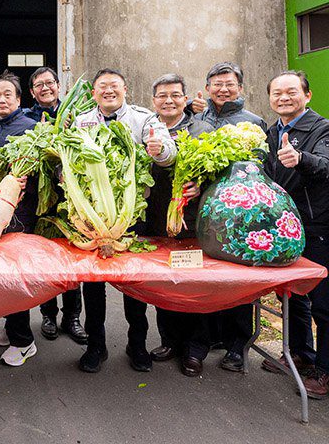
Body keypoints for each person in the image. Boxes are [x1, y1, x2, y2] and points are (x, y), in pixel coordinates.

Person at [74, 68, 176, 373]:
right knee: (92, 287)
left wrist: (159, 152)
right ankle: (96, 345)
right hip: (93, 219)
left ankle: (137, 345)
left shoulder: (144, 119)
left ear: (125, 89)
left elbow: (168, 152)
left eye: (114, 86)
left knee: (133, 284)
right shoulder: (82, 122)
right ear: (93, 93)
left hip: (132, 216)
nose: (108, 91)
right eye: (102, 87)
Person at [190, 62, 267, 374]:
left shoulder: (253, 122)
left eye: (229, 84)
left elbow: (262, 167)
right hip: (203, 212)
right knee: (204, 279)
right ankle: (205, 339)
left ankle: (237, 344)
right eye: (217, 84)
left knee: (237, 280)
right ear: (207, 88)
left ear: (240, 88)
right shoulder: (197, 118)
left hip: (239, 214)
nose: (223, 89)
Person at [262, 70, 329, 399]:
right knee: (292, 295)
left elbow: (326, 165)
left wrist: (301, 159)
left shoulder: (322, 128)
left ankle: (326, 371)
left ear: (307, 95)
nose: (283, 98)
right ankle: (302, 353)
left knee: (324, 302)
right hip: (285, 227)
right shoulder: (272, 130)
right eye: (277, 93)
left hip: (318, 227)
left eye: (290, 92)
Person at [144, 73, 213, 377]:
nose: (168, 100)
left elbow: (219, 172)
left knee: (194, 284)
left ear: (185, 99)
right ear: (153, 100)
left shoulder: (202, 129)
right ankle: (169, 340)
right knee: (165, 282)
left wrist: (202, 185)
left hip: (191, 219)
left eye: (174, 95)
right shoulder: (146, 129)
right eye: (162, 95)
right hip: (156, 217)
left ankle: (195, 349)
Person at [23, 67, 87, 344]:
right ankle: (48, 314)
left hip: (71, 197)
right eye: (39, 85)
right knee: (45, 259)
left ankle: (72, 317)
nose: (45, 88)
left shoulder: (77, 115)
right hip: (39, 198)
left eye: (50, 83)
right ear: (32, 92)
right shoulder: (26, 118)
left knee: (71, 258)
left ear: (59, 86)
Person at [0, 70, 39, 367]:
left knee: (15, 277)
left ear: (19, 99)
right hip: (1, 210)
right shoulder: (0, 128)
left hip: (19, 213)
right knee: (4, 275)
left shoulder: (28, 127)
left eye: (8, 94)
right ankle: (11, 327)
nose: (1, 99)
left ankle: (24, 341)